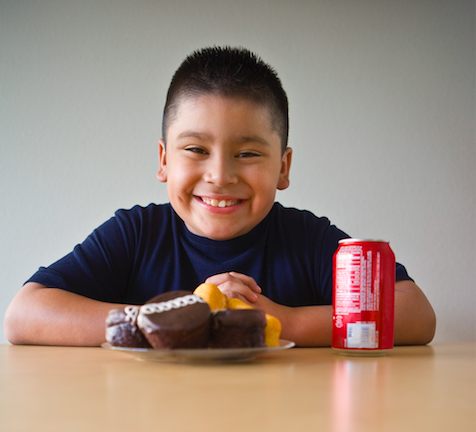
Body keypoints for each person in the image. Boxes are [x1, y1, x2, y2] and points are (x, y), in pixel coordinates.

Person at [4, 46, 436, 347]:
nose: (220, 175)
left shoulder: (305, 237)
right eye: (195, 150)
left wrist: (285, 321)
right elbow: (24, 315)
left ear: (282, 167)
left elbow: (416, 313)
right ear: (164, 160)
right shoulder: (137, 233)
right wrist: (178, 318)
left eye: (247, 153)